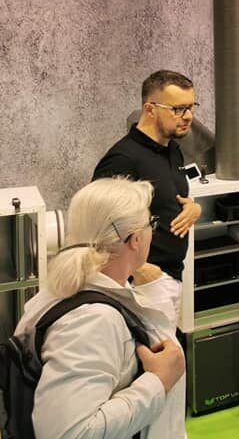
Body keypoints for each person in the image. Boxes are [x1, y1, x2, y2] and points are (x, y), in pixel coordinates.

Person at [15, 177, 186, 439]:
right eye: (151, 223)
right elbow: (69, 434)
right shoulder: (92, 321)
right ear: (136, 239)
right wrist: (158, 381)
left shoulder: (63, 289)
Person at [93, 70, 202, 303]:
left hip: (170, 276)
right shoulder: (123, 159)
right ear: (150, 109)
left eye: (191, 107)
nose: (188, 116)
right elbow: (96, 225)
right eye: (178, 109)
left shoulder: (173, 149)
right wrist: (140, 270)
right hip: (141, 284)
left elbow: (166, 199)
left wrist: (194, 208)